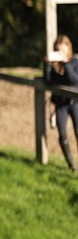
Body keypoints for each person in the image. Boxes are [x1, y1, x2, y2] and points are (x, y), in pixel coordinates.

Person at [45, 34, 78, 171]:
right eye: (57, 51)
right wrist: (47, 65)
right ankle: (72, 165)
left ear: (68, 48)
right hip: (60, 105)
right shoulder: (54, 66)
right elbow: (48, 81)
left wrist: (66, 63)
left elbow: (73, 80)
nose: (60, 54)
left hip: (75, 103)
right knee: (62, 135)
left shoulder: (75, 63)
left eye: (62, 51)